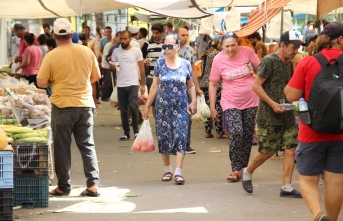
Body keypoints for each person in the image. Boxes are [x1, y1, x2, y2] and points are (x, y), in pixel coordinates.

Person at [285, 22, 343, 221]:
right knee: (335, 182)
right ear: (341, 40)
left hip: (312, 131)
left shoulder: (309, 62)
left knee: (308, 180)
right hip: (341, 133)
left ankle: (318, 214)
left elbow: (291, 95)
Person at [37, 18, 101, 197]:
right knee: (87, 146)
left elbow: (41, 82)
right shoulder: (86, 52)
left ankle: (63, 186)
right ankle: (93, 185)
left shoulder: (51, 55)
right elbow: (97, 75)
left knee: (62, 147)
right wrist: (80, 83)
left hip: (62, 106)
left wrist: (55, 80)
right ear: (71, 35)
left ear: (54, 36)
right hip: (85, 105)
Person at [241, 31, 304, 198]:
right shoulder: (269, 61)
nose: (296, 51)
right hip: (268, 116)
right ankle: (247, 171)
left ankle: (287, 186)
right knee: (268, 151)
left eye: (298, 48)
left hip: (287, 114)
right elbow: (256, 86)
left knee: (290, 148)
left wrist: (296, 104)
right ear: (282, 45)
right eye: (293, 47)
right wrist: (272, 104)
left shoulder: (289, 63)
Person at [143, 34, 197, 185]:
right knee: (164, 137)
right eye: (164, 47)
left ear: (177, 46)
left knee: (181, 136)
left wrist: (193, 101)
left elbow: (190, 85)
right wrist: (147, 106)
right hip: (162, 107)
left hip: (181, 106)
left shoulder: (185, 64)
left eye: (169, 46)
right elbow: (154, 87)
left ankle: (178, 172)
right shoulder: (159, 64)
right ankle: (168, 170)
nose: (167, 49)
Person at [209, 32, 259, 182]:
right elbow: (213, 84)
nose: (230, 49)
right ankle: (235, 169)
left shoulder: (248, 52)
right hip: (230, 101)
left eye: (233, 45)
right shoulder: (217, 60)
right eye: (227, 46)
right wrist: (212, 107)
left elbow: (261, 71)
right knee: (237, 131)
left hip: (251, 100)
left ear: (238, 43)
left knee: (247, 134)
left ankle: (244, 168)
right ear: (221, 46)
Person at [160, 26, 202, 154]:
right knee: (170, 118)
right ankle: (172, 145)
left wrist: (197, 88)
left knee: (187, 117)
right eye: (183, 35)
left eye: (186, 35)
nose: (185, 37)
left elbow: (193, 71)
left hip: (186, 90)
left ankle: (185, 144)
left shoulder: (190, 50)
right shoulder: (166, 50)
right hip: (169, 91)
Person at [111, 30, 145, 141]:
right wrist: (114, 64)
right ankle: (126, 132)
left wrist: (143, 84)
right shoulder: (116, 51)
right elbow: (112, 68)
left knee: (133, 106)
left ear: (130, 39)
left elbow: (141, 67)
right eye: (121, 38)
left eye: (125, 38)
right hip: (121, 84)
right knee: (123, 110)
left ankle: (136, 131)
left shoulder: (136, 51)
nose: (123, 41)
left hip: (133, 83)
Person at [200, 38, 228, 139]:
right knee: (217, 107)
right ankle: (220, 132)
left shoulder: (205, 53)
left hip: (203, 83)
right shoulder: (217, 54)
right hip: (214, 83)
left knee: (207, 108)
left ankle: (208, 131)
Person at [141, 23, 164, 116]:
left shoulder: (166, 44)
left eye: (157, 33)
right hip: (151, 76)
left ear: (162, 32)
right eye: (153, 33)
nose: (154, 35)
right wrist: (144, 62)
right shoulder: (147, 44)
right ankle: (157, 123)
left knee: (162, 102)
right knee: (154, 103)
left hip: (164, 76)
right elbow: (141, 59)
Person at [82, 26, 101, 105]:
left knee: (93, 83)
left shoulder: (93, 40)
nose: (85, 32)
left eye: (86, 30)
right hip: (82, 64)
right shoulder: (80, 41)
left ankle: (94, 100)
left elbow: (96, 53)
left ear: (89, 31)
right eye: (83, 30)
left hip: (91, 64)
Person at [101, 34, 116, 101]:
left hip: (111, 65)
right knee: (107, 82)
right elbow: (106, 57)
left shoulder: (114, 46)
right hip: (106, 65)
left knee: (110, 82)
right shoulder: (109, 46)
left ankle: (109, 95)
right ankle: (104, 96)